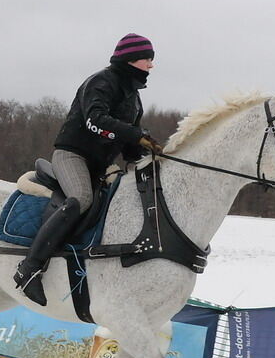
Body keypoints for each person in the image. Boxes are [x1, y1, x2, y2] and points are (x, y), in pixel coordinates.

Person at [14, 33, 164, 306]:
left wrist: (151, 153)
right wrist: (134, 133)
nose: (151, 66)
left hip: (100, 165)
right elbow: (95, 120)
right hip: (71, 155)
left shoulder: (134, 99)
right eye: (147, 59)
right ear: (131, 60)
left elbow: (129, 150)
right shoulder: (101, 82)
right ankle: (29, 268)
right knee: (81, 199)